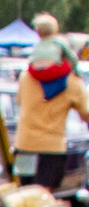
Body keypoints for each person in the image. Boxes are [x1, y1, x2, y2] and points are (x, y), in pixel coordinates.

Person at [15, 13, 89, 194]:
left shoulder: (26, 78)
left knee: (24, 192)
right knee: (44, 195)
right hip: (51, 148)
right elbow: (86, 114)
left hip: (24, 145)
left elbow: (20, 102)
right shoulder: (72, 83)